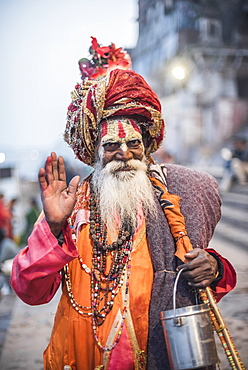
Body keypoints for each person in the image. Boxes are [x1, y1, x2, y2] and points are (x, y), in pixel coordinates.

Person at [10, 38, 236, 370]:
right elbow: (29, 291)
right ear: (96, 151)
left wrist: (214, 268)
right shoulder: (71, 207)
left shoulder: (170, 196)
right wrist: (55, 228)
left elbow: (210, 273)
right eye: (112, 144)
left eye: (133, 143)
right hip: (81, 357)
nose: (124, 153)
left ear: (147, 146)